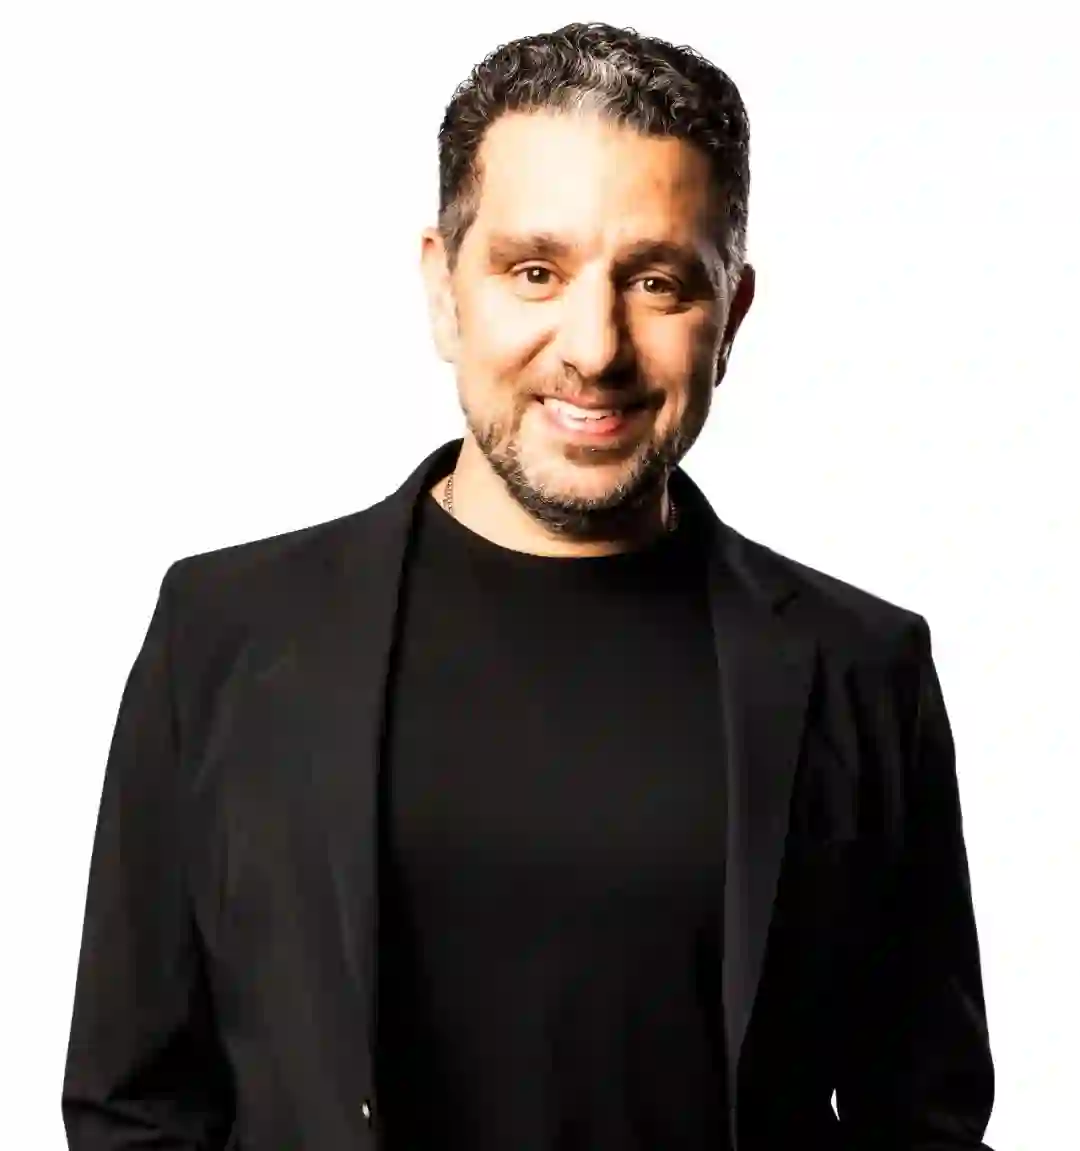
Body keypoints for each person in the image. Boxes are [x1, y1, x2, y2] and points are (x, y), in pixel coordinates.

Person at [61, 21, 995, 1151]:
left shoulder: (862, 670)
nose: (593, 347)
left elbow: (924, 1118)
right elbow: (133, 1103)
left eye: (658, 282)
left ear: (731, 316)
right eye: (535, 271)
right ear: (444, 288)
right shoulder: (224, 635)